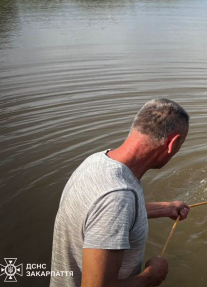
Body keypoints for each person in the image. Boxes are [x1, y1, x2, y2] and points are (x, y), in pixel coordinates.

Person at [50, 98, 190, 287]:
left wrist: (166, 208)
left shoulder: (97, 161)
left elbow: (99, 216)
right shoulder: (117, 197)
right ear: (172, 143)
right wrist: (151, 276)